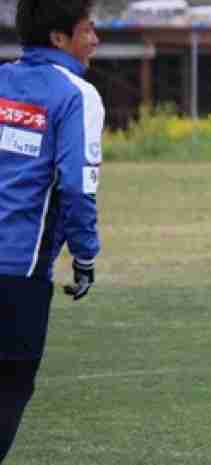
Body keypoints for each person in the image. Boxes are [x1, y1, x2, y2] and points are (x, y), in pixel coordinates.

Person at [0, 1, 103, 462]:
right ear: (59, 38)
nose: (96, 40)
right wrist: (85, 256)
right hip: (17, 273)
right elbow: (77, 188)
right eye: (88, 30)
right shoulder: (77, 95)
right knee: (9, 389)